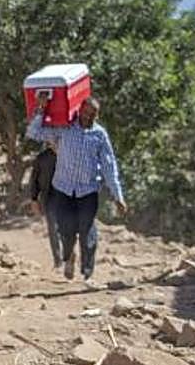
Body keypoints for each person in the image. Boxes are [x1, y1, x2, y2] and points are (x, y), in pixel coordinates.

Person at [27, 93, 127, 280]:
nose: (89, 118)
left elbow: (109, 165)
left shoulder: (99, 135)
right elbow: (34, 133)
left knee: (87, 229)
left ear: (97, 115)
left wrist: (118, 196)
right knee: (66, 231)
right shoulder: (63, 129)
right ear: (79, 110)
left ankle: (87, 271)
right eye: (86, 113)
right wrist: (41, 109)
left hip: (87, 191)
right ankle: (69, 256)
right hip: (63, 190)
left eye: (93, 115)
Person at [27, 143, 63, 269]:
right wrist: (34, 199)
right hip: (49, 199)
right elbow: (34, 180)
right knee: (53, 229)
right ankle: (58, 260)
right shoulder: (42, 158)